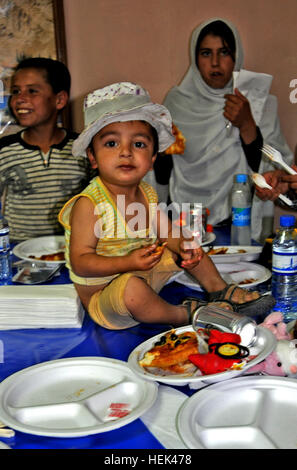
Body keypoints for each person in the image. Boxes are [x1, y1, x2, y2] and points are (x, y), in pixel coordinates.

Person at [59, 82, 274, 330]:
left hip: (141, 274)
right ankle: (185, 314)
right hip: (108, 300)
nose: (126, 152)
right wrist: (126, 263)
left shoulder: (146, 193)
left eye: (138, 144)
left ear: (151, 159)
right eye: (111, 144)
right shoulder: (89, 204)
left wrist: (186, 249)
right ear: (93, 157)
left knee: (186, 243)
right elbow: (81, 262)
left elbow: (168, 233)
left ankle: (220, 290)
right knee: (131, 288)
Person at [152, 18, 293, 242]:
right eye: (206, 53)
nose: (215, 63)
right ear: (195, 58)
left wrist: (247, 125)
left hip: (240, 225)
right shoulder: (176, 103)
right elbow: (162, 174)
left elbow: (277, 175)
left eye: (224, 52)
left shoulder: (258, 103)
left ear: (236, 57)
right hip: (185, 222)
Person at [0, 57, 94, 242]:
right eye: (16, 91)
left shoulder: (82, 148)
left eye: (32, 91)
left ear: (59, 100)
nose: (20, 99)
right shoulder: (4, 150)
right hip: (19, 250)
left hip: (73, 248)